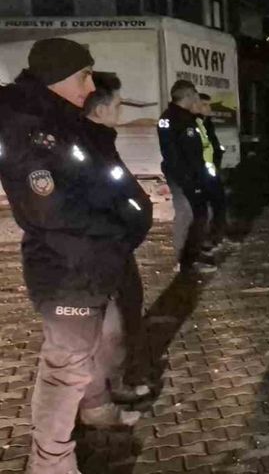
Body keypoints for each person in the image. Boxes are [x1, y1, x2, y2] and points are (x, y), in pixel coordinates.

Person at [0, 38, 146, 474]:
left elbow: (90, 176)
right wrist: (116, 230)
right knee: (64, 369)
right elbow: (49, 207)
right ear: (62, 78)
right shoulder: (32, 127)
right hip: (67, 267)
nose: (90, 84)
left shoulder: (61, 119)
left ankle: (97, 410)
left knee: (98, 344)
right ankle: (50, 464)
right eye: (84, 75)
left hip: (92, 259)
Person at [81, 72, 153, 403]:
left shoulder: (101, 140)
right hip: (102, 250)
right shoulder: (85, 145)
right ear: (100, 109)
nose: (121, 111)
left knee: (126, 313)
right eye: (118, 105)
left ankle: (116, 381)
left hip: (118, 246)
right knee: (110, 327)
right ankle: (104, 394)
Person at [157, 80, 216, 274]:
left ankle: (193, 254)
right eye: (195, 95)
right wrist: (187, 180)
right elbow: (173, 155)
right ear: (188, 96)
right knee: (186, 215)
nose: (197, 99)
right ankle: (183, 261)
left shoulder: (187, 118)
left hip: (194, 176)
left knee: (201, 214)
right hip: (182, 178)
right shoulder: (170, 119)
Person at [194, 93, 238, 252]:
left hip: (212, 169)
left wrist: (218, 156)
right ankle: (205, 241)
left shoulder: (207, 123)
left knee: (220, 204)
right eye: (205, 105)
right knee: (206, 209)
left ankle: (219, 237)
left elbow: (212, 144)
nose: (209, 108)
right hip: (201, 173)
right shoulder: (193, 123)